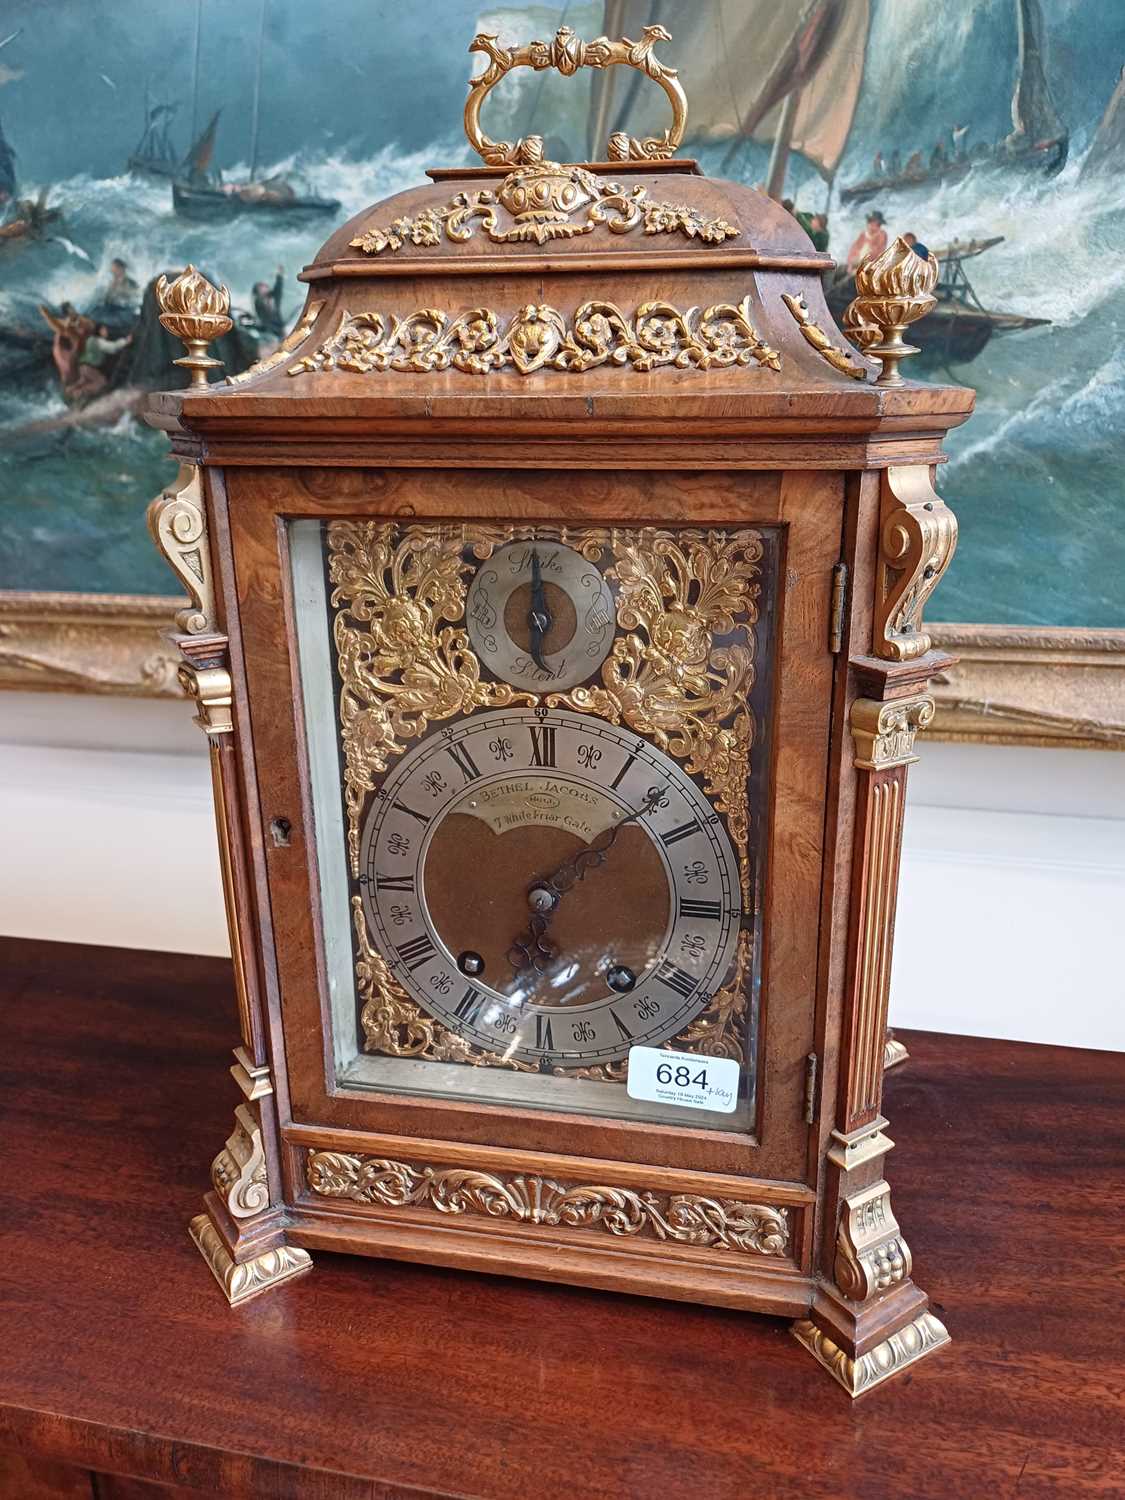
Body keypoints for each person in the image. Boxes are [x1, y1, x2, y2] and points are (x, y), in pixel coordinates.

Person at [253, 265, 285, 339]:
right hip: (269, 331)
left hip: (280, 327)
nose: (265, 288)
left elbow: (278, 288)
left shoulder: (273, 298)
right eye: (261, 287)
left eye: (265, 286)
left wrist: (279, 275)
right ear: (258, 291)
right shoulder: (258, 301)